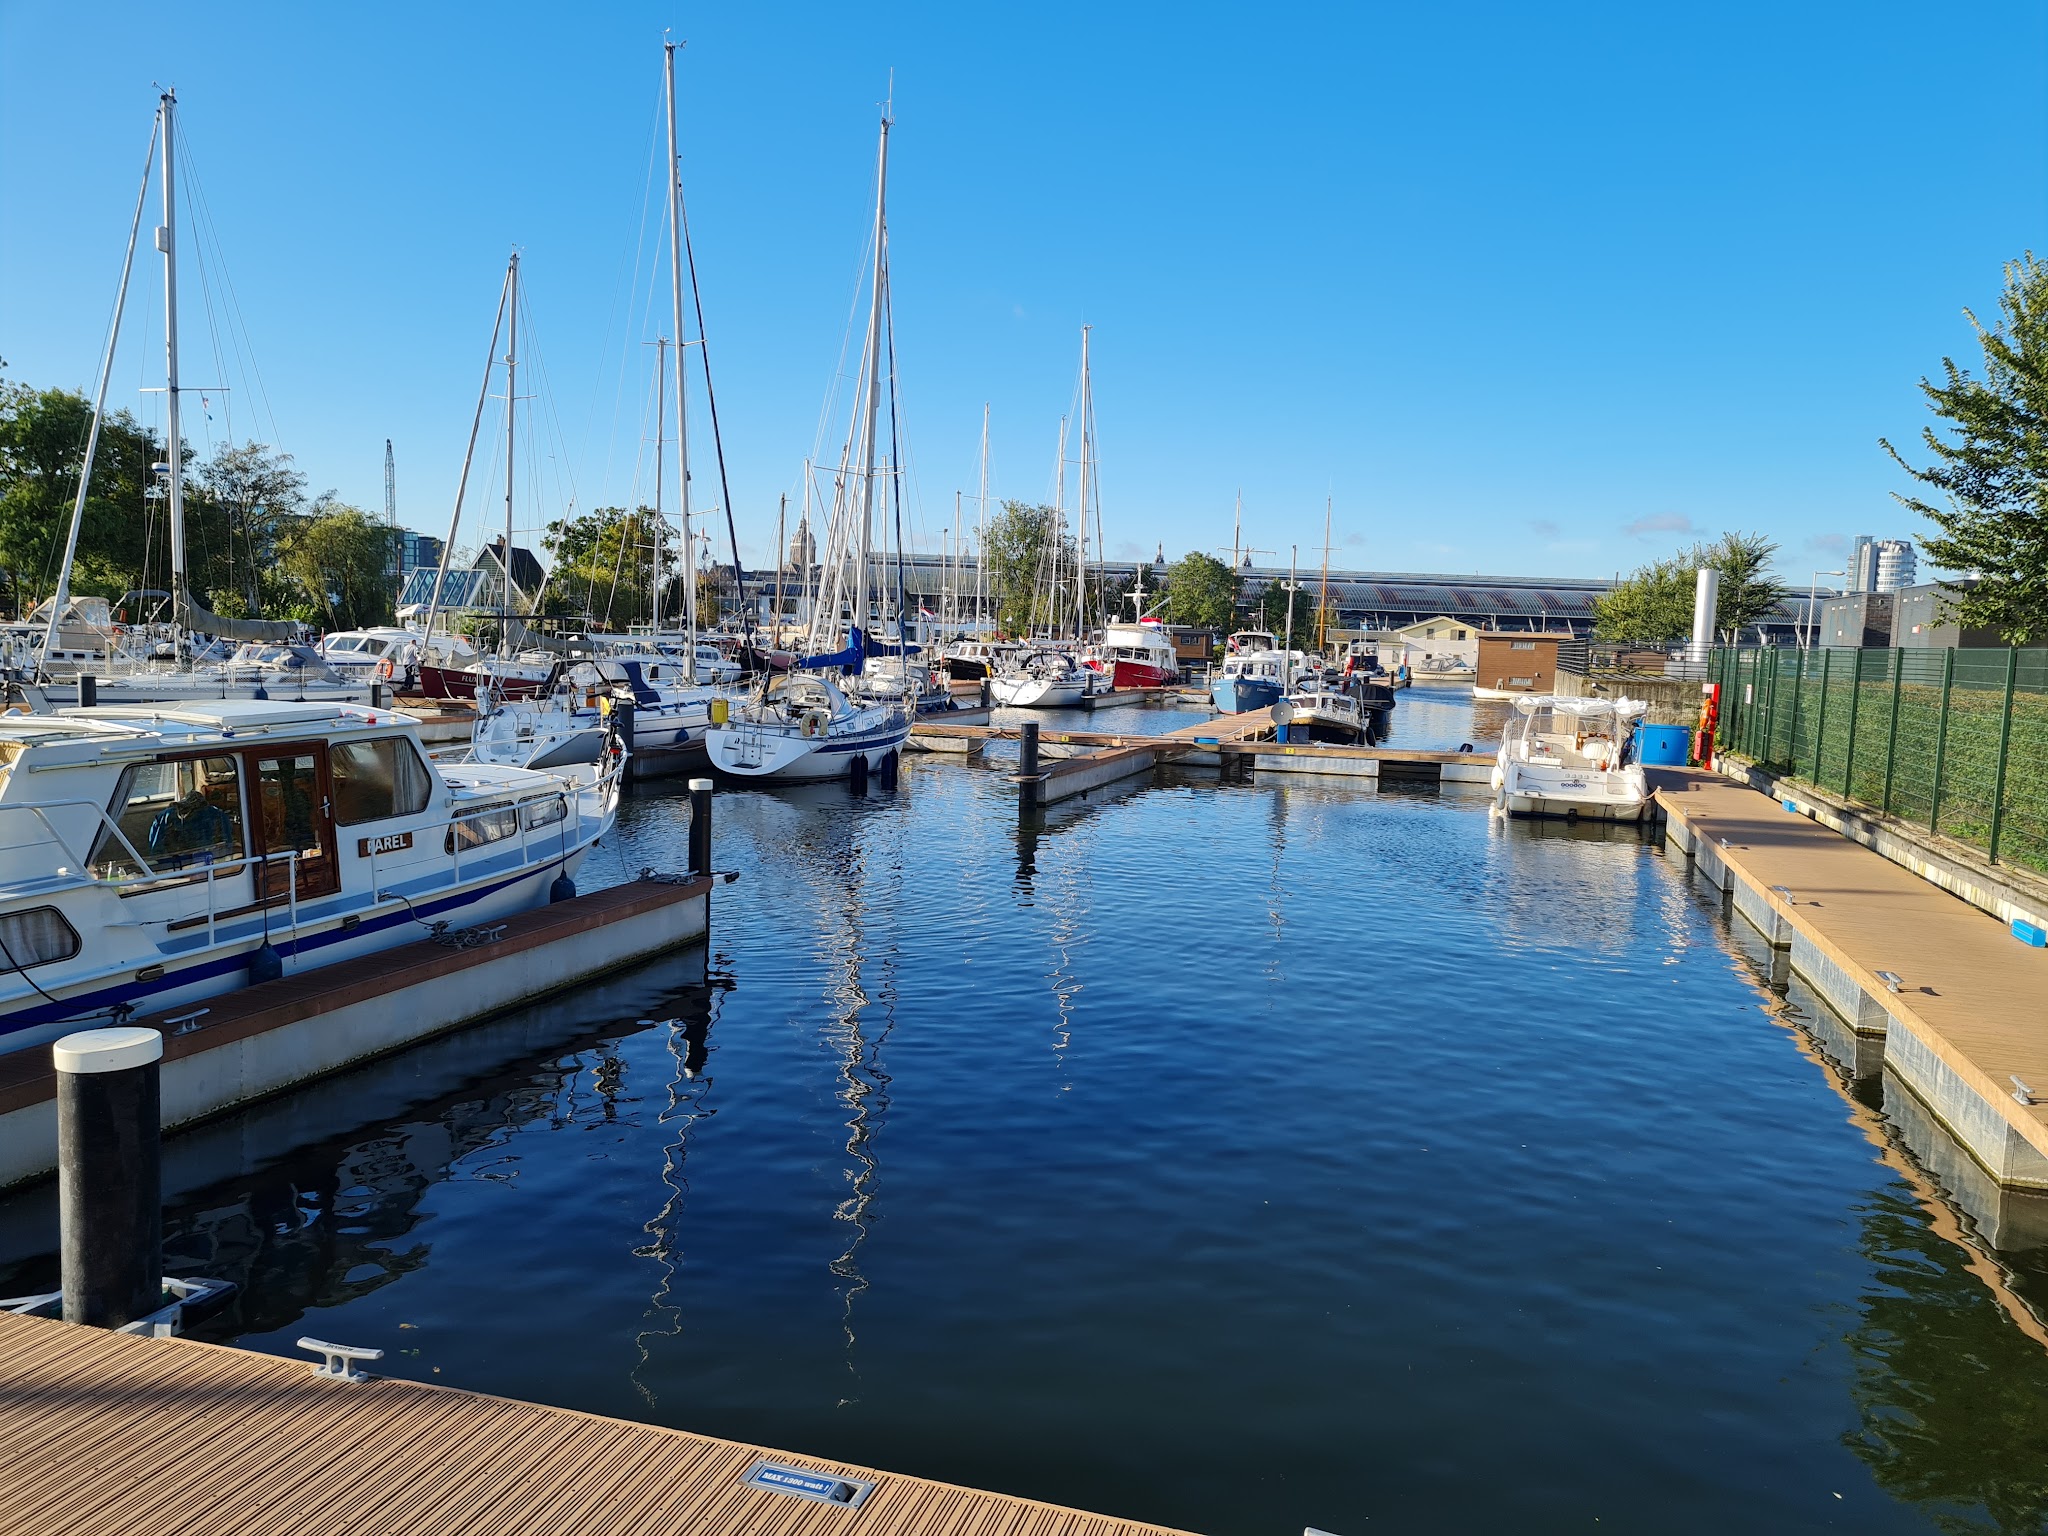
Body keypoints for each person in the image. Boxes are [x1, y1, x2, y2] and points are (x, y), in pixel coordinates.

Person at [148, 788, 234, 865]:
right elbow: (227, 846)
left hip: (172, 867)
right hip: (207, 864)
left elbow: (156, 852)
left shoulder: (163, 816)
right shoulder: (217, 815)